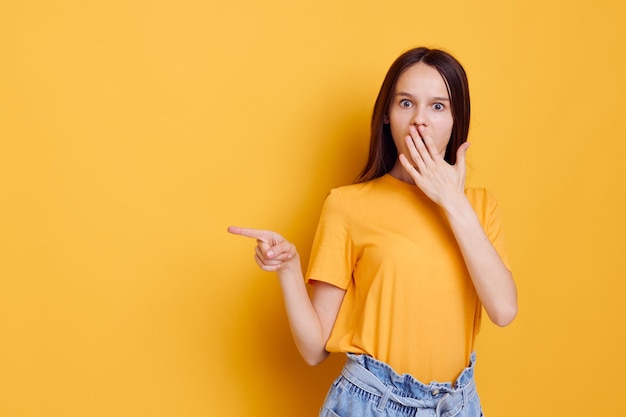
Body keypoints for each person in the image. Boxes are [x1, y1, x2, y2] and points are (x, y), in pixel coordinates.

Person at [228, 47, 517, 417]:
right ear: (386, 114)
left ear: (456, 118)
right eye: (406, 103)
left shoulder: (479, 207)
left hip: (456, 406)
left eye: (438, 106)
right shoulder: (348, 205)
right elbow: (314, 349)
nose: (420, 121)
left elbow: (504, 309)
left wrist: (452, 201)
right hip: (369, 404)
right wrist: (288, 269)